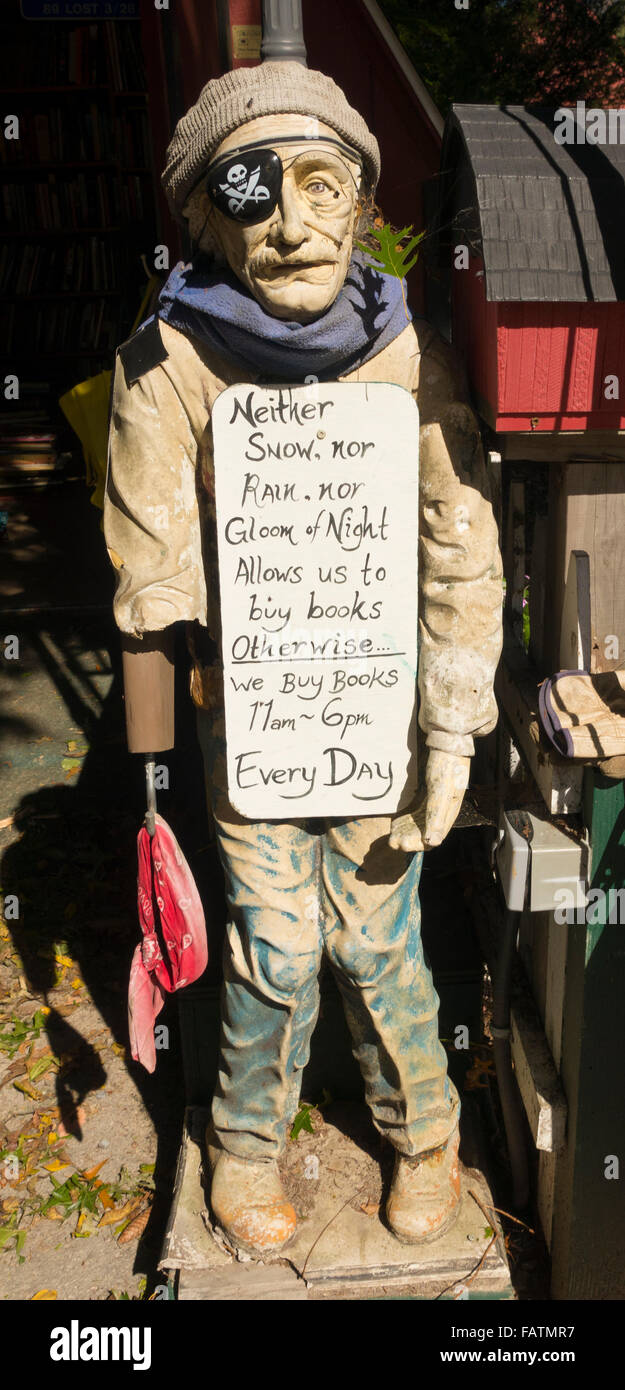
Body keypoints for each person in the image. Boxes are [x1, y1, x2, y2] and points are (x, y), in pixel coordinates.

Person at [104, 60, 503, 1257]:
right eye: (253, 193)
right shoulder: (168, 366)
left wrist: (452, 721)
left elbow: (457, 542)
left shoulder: (403, 354)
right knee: (274, 947)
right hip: (252, 717)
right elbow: (149, 579)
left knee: (377, 938)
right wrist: (153, 789)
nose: (290, 227)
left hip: (375, 712)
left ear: (362, 203)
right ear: (209, 219)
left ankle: (423, 1134)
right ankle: (243, 1140)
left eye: (321, 186)